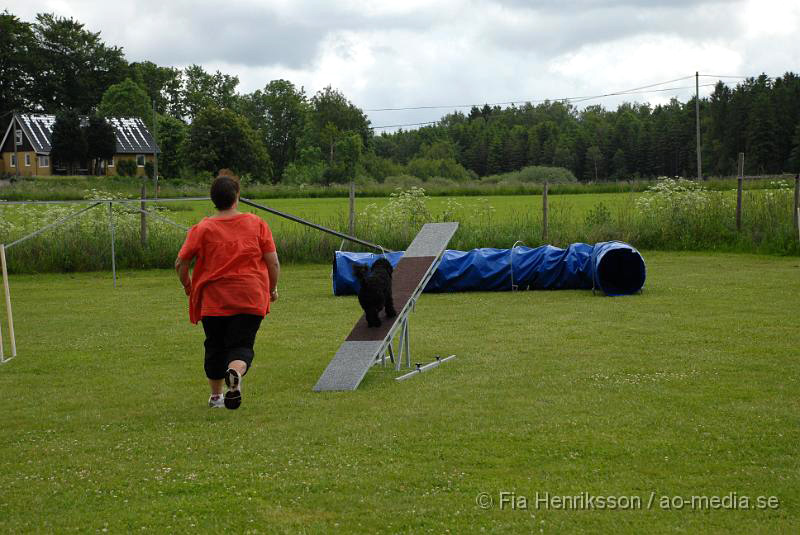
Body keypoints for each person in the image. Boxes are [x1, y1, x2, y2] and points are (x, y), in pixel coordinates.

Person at [175, 173, 280, 410]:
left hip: (214, 301)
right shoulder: (257, 223)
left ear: (213, 199)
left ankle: (216, 397)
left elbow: (180, 263)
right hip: (250, 296)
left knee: (215, 346)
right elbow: (273, 262)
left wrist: (188, 285)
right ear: (237, 197)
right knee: (242, 345)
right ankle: (235, 371)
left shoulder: (202, 228)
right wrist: (272, 288)